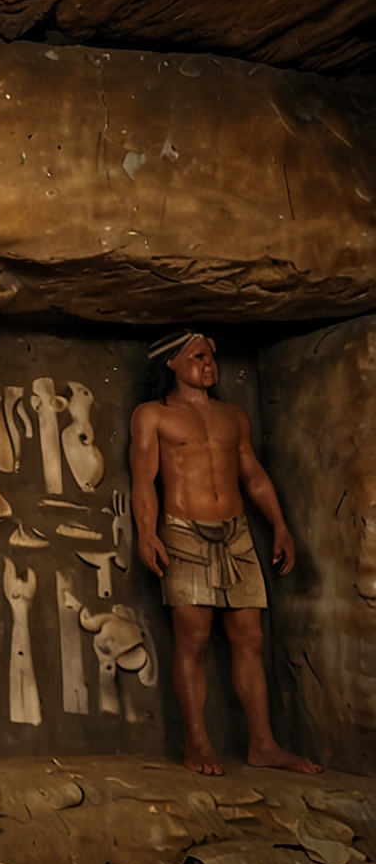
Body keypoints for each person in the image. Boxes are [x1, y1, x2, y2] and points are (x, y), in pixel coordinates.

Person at [130, 330, 320, 775]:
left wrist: (280, 526)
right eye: (198, 356)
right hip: (183, 532)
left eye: (211, 356)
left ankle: (263, 744)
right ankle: (197, 743)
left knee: (250, 639)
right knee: (192, 640)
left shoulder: (233, 417)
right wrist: (146, 533)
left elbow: (253, 476)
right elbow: (144, 478)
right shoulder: (153, 416)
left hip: (236, 534)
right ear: (173, 364)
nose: (208, 363)